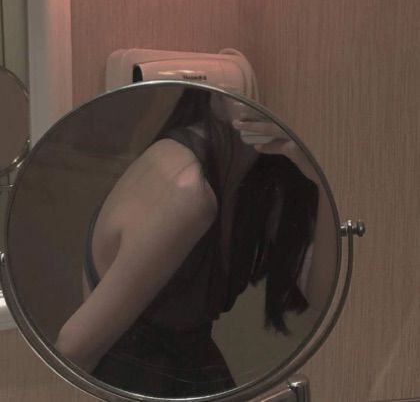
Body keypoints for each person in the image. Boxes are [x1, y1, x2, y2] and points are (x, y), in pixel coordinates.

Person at [55, 87, 321, 397]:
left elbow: (322, 291)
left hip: (191, 384)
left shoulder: (261, 175)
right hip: (138, 388)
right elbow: (72, 351)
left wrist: (316, 170)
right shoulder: (186, 189)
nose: (248, 93)